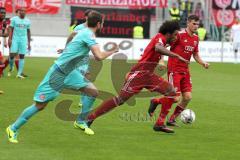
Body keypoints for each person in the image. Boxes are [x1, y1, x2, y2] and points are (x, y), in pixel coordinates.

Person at [6, 11, 119, 143]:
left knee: (92, 92)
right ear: (99, 24)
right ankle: (13, 128)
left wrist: (66, 49)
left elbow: (74, 39)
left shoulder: (84, 32)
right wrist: (113, 50)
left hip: (70, 72)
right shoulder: (89, 35)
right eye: (103, 23)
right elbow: (99, 57)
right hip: (57, 74)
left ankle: (80, 121)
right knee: (40, 105)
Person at [82, 20, 190, 133]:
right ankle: (90, 117)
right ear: (168, 33)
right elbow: (158, 48)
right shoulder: (160, 37)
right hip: (139, 74)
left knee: (171, 92)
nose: (176, 36)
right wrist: (176, 55)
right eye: (175, 34)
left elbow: (162, 47)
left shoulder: (165, 40)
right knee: (120, 100)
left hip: (148, 75)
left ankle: (159, 123)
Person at [148, 15, 209, 129]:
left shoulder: (196, 39)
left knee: (187, 97)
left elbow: (195, 54)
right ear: (188, 23)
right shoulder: (179, 36)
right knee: (175, 98)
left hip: (185, 71)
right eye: (194, 23)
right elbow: (163, 47)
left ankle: (171, 120)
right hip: (174, 70)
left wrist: (203, 63)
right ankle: (156, 101)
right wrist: (161, 60)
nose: (196, 26)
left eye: (197, 24)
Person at [8, 7, 31, 79]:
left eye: (24, 11)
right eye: (21, 11)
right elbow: (11, 29)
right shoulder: (14, 19)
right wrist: (10, 38)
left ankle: (19, 73)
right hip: (15, 39)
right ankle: (11, 67)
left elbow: (28, 31)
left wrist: (29, 43)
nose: (23, 12)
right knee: (12, 55)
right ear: (19, 12)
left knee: (22, 56)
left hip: (23, 40)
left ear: (26, 12)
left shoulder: (28, 21)